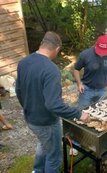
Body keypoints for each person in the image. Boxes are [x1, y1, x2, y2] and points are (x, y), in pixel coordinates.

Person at [15, 31, 90, 173]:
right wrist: (79, 114)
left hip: (31, 119)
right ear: (57, 49)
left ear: (42, 44)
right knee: (53, 157)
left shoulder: (24, 62)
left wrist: (28, 107)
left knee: (43, 145)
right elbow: (53, 104)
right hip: (47, 122)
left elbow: (19, 91)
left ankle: (37, 170)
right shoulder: (51, 70)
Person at [73, 34, 107, 110]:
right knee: (82, 112)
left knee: (103, 112)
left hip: (103, 90)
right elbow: (76, 69)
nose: (101, 54)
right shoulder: (85, 54)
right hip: (86, 89)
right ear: (96, 45)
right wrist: (79, 83)